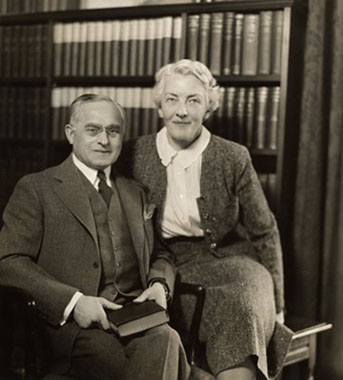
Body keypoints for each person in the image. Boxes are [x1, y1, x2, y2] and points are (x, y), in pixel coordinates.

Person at [119, 60, 294, 380]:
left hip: (230, 259)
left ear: (209, 106)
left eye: (193, 100)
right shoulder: (134, 154)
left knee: (244, 305)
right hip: (163, 264)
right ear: (159, 106)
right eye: (172, 99)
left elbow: (264, 231)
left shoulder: (232, 156)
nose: (181, 111)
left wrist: (278, 305)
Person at [0, 94, 190, 380]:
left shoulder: (135, 191)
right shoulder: (37, 188)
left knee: (165, 338)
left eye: (113, 131)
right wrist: (75, 302)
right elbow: (8, 260)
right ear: (70, 134)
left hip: (135, 316)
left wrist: (160, 285)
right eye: (93, 130)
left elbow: (160, 254)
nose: (105, 140)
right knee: (161, 357)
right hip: (74, 329)